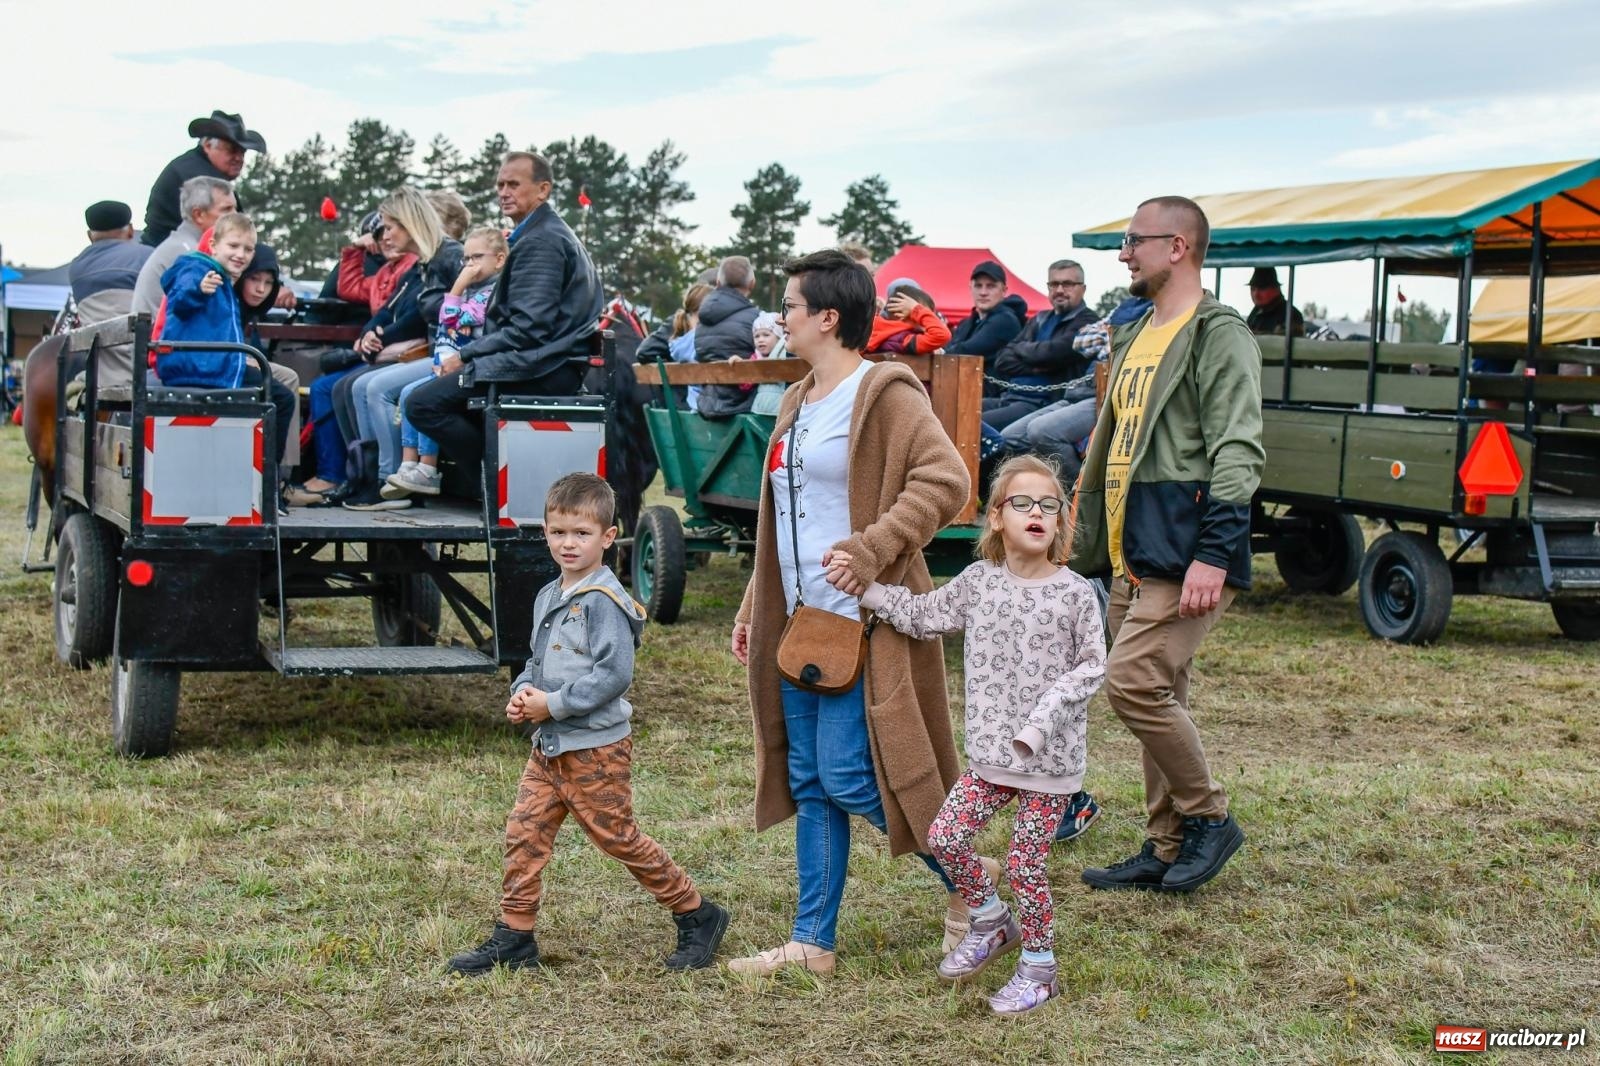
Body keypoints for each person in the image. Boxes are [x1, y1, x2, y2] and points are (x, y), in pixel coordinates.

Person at [727, 249, 971, 976]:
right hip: (803, 622)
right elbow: (784, 515)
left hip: (866, 621)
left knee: (849, 776)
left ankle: (974, 881)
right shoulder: (797, 400)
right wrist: (752, 604)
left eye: (791, 306)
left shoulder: (887, 392)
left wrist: (874, 546)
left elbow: (947, 480)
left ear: (828, 318)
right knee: (809, 782)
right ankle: (812, 944)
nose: (782, 317)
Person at [826, 454, 1106, 1015]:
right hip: (989, 757)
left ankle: (1040, 967)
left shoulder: (1075, 592)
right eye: (1021, 503)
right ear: (998, 519)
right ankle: (990, 920)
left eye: (1048, 506)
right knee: (947, 838)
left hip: (1049, 763)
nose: (1036, 513)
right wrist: (869, 590)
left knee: (1027, 865)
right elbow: (924, 615)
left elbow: (1093, 666)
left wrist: (1040, 720)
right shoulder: (979, 583)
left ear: (1060, 523)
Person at [446, 473, 730, 975]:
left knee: (617, 836)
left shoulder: (605, 603)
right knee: (524, 832)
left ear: (607, 536)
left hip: (594, 749)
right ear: (546, 533)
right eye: (558, 532)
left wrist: (551, 705)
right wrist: (522, 695)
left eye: (581, 533)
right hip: (549, 746)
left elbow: (613, 675)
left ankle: (697, 914)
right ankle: (515, 936)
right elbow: (533, 662)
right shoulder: (547, 595)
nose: (568, 543)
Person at [1073, 196, 1264, 894]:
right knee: (1163, 691)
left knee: (1132, 683)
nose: (1125, 255)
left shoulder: (1218, 333)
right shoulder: (1137, 332)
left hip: (1185, 548)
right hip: (1134, 548)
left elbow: (1238, 448)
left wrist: (1215, 552)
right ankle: (1166, 843)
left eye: (1134, 242)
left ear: (1178, 246)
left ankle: (1210, 818)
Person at [405, 151, 602, 480]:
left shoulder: (542, 240)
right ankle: (492, 477)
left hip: (541, 367)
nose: (503, 192)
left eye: (514, 184)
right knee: (429, 396)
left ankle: (493, 479)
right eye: (500, 185)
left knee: (420, 404)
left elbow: (528, 329)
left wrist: (464, 356)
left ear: (543, 190)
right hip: (543, 360)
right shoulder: (539, 233)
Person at [156, 213, 296, 498]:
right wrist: (198, 289)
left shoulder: (222, 279)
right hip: (201, 367)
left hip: (214, 365)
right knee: (281, 397)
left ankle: (259, 478)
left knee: (277, 393)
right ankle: (269, 483)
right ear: (214, 245)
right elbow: (180, 299)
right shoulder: (198, 268)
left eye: (247, 249)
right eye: (233, 246)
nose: (240, 254)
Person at [382, 226, 508, 501]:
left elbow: (455, 318)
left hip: (472, 368)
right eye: (466, 259)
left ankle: (426, 468)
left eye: (477, 257)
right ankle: (408, 465)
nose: (469, 265)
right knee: (407, 395)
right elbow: (446, 318)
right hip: (450, 365)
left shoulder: (490, 292)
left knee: (421, 398)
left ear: (499, 259)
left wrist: (458, 285)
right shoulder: (472, 290)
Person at [983, 260, 1099, 430]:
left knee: (974, 424)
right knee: (958, 410)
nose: (1059, 290)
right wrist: (1039, 365)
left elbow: (1053, 353)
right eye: (1054, 284)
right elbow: (1003, 359)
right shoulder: (1040, 318)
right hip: (1010, 396)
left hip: (1045, 402)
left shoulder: (1089, 322)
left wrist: (1021, 349)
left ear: (1083, 288)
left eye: (1067, 284)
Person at [141, 111, 264, 248]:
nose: (239, 158)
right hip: (172, 254)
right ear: (208, 146)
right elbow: (235, 229)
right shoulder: (204, 180)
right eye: (231, 150)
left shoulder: (193, 166)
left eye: (242, 152)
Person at [235, 242, 303, 471]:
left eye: (268, 283)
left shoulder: (246, 305)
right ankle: (273, 477)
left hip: (232, 356)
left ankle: (285, 475)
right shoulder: (229, 297)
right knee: (283, 392)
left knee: (290, 376)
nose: (260, 290)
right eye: (254, 279)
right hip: (219, 360)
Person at [133, 177, 236, 316]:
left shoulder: (180, 244)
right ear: (198, 214)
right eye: (227, 209)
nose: (235, 215)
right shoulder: (189, 253)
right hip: (160, 335)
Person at [693, 255, 761, 418]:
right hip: (747, 409)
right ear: (752, 284)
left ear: (718, 283)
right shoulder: (758, 320)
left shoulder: (700, 322)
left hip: (706, 406)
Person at [68, 200, 153, 325]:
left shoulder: (76, 267)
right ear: (130, 230)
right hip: (140, 341)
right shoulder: (148, 256)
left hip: (92, 343)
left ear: (90, 236)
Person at [946, 260, 1028, 364]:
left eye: (991, 286)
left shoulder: (1005, 321)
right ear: (970, 288)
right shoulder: (965, 324)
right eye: (978, 286)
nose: (983, 293)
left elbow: (966, 351)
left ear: (1004, 290)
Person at [865, 279, 951, 355]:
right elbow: (942, 335)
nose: (927, 323)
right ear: (902, 315)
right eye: (922, 318)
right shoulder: (903, 339)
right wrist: (916, 310)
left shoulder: (870, 331)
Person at [1245, 267, 1306, 337]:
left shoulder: (1291, 314)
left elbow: (1281, 343)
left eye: (1262, 288)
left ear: (1276, 289)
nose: (1256, 294)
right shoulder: (1256, 312)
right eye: (1252, 289)